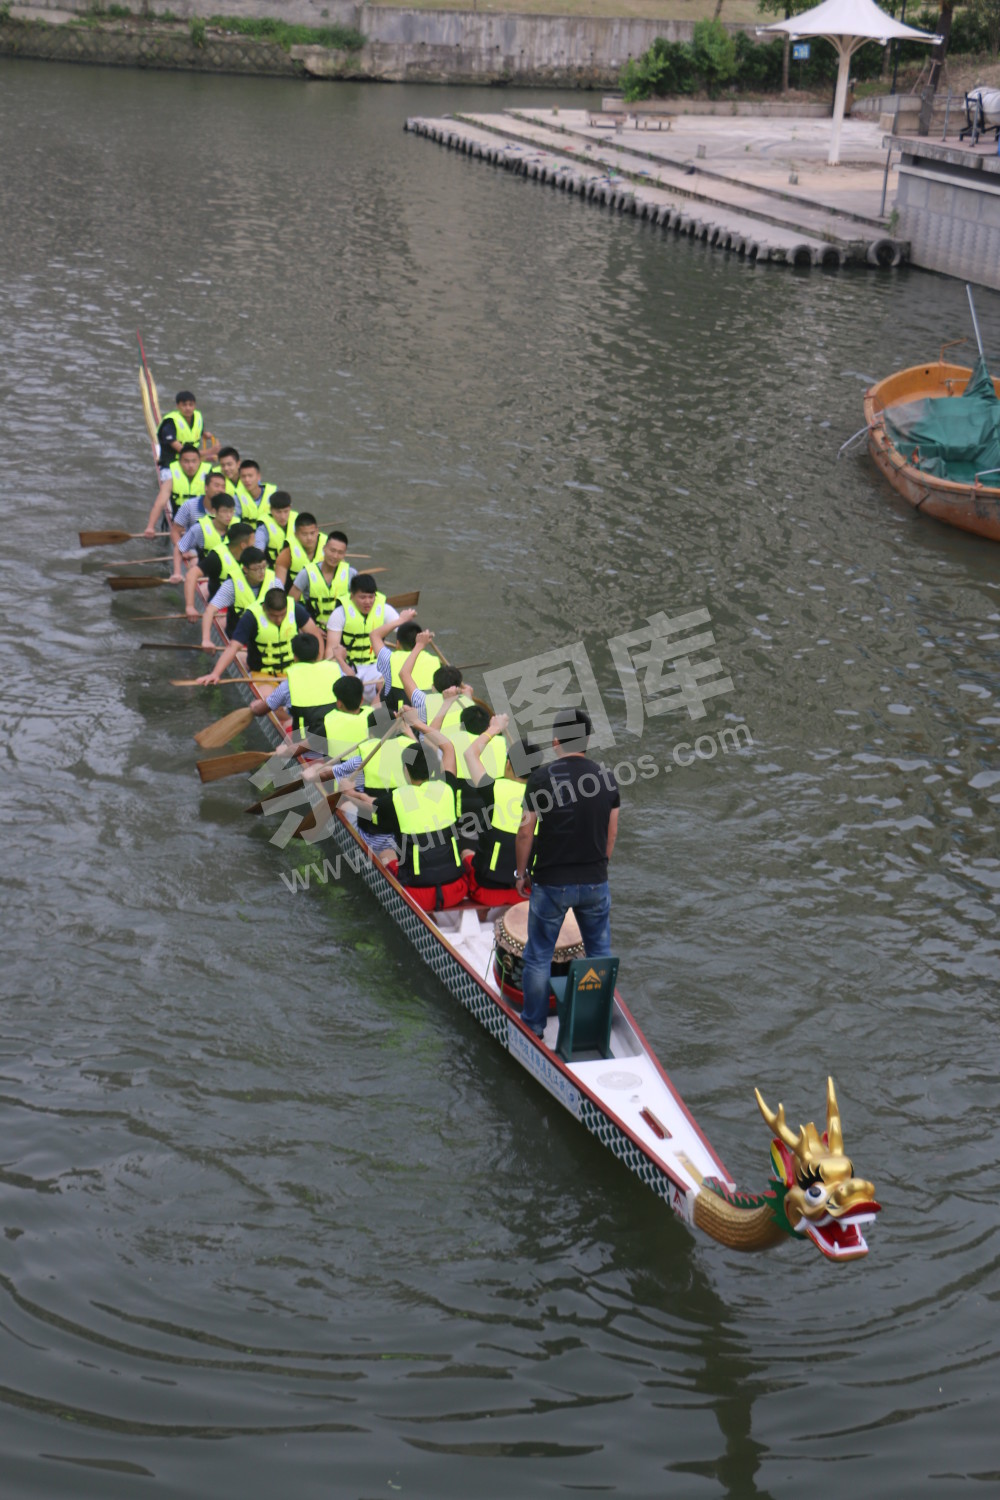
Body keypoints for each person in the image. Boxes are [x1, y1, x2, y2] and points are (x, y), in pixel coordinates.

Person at [514, 707, 620, 1039]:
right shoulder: (607, 777)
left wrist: (521, 873)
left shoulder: (541, 778)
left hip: (551, 882)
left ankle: (534, 1026)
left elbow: (524, 833)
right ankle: (595, 1024)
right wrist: (599, 868)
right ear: (587, 741)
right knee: (599, 953)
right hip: (595, 881)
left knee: (538, 956)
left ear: (556, 742)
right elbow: (611, 833)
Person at [343, 713, 467, 912]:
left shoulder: (396, 799)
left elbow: (369, 807)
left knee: (386, 851)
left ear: (405, 770)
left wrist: (349, 793)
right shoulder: (447, 788)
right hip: (457, 889)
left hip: (418, 895)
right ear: (434, 766)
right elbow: (448, 747)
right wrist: (417, 724)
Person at [463, 713, 539, 905]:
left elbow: (470, 754)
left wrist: (495, 728)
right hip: (526, 891)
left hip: (488, 890)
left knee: (465, 852)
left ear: (508, 765)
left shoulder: (493, 789)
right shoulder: (544, 797)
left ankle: (482, 913)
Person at [196, 588, 321, 683]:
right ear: (264, 608)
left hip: (293, 671)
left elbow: (315, 636)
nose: (278, 620)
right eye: (273, 616)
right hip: (263, 675)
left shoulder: (295, 609)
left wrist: (318, 664)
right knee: (272, 702)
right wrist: (216, 674)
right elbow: (233, 647)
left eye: (282, 615)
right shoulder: (251, 617)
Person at [327, 574, 414, 700]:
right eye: (362, 597)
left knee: (388, 686)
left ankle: (375, 718)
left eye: (371, 597)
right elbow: (331, 651)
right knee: (345, 694)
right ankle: (353, 709)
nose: (367, 601)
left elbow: (406, 635)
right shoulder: (339, 613)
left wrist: (405, 621)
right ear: (352, 595)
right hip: (346, 666)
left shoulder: (385, 609)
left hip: (374, 666)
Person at [250, 632, 343, 740]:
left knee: (286, 722)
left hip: (305, 746)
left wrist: (255, 707)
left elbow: (261, 710)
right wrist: (340, 658)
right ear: (319, 654)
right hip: (335, 736)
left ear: (295, 657)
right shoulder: (336, 671)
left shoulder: (288, 685)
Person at [200, 544, 277, 647]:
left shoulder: (274, 582)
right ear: (245, 569)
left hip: (267, 639)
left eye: (264, 567)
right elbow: (210, 611)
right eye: (257, 569)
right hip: (240, 641)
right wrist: (206, 640)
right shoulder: (232, 585)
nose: (262, 572)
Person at [144, 443, 212, 542]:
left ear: (200, 461)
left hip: (202, 522)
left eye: (194, 461)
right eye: (186, 462)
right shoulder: (172, 479)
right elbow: (159, 504)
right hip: (179, 523)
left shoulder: (210, 476)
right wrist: (150, 527)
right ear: (180, 462)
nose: (190, 466)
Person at [289, 530, 355, 628]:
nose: (335, 556)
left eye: (340, 552)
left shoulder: (351, 574)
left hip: (341, 628)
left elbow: (360, 603)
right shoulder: (306, 573)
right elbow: (290, 604)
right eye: (332, 551)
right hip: (313, 628)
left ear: (344, 554)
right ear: (324, 549)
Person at [373, 619, 437, 713]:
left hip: (399, 712)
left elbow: (374, 635)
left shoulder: (389, 658)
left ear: (397, 644)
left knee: (381, 688)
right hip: (426, 711)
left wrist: (401, 619)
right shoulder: (435, 661)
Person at [156, 390, 216, 473]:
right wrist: (209, 452)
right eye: (184, 405)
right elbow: (183, 451)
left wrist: (204, 434)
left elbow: (196, 430)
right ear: (178, 406)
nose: (188, 408)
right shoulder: (170, 423)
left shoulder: (198, 416)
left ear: (194, 406)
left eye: (191, 405)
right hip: (171, 463)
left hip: (192, 462)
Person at [256, 490, 296, 566]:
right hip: (273, 570)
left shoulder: (297, 522)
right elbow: (258, 549)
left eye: (286, 511)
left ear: (290, 508)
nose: (283, 516)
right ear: (271, 510)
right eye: (278, 512)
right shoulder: (263, 528)